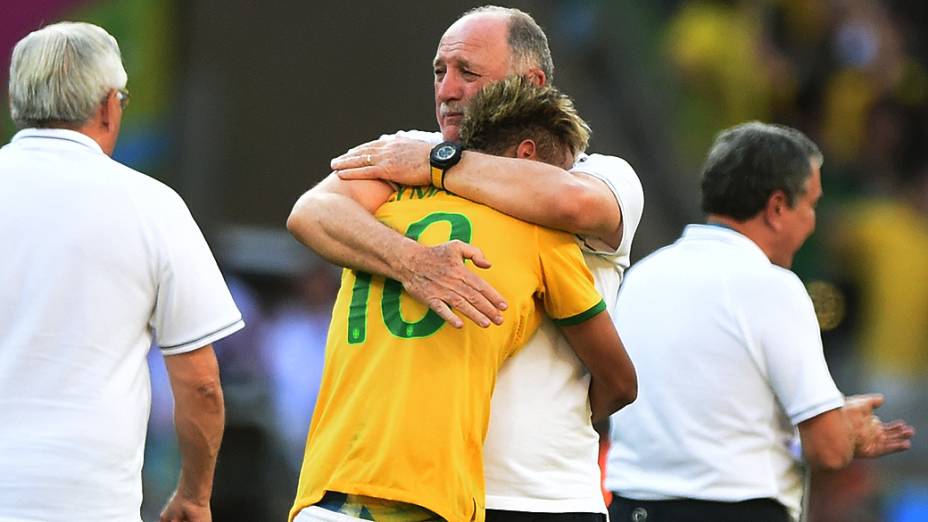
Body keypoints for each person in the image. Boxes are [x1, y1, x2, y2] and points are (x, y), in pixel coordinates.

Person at [287, 6, 643, 520]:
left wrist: (437, 164)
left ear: (532, 81)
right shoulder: (411, 152)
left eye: (467, 72)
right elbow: (313, 211)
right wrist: (413, 262)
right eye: (439, 71)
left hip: (541, 496)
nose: (447, 89)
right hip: (435, 494)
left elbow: (570, 203)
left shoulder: (598, 172)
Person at [603, 122, 915, 522]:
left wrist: (825, 421)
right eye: (812, 205)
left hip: (631, 509)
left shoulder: (641, 277)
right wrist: (842, 431)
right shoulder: (774, 288)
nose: (813, 221)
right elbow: (830, 452)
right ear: (778, 207)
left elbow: (716, 422)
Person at [0, 22, 243, 522]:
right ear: (110, 106)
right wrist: (195, 495)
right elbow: (201, 385)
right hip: (89, 501)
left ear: (16, 103)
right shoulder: (152, 206)